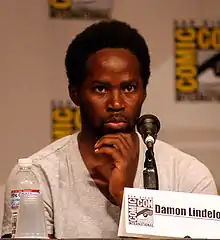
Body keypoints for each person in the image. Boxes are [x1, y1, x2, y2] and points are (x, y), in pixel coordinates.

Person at [1, 19, 217, 239]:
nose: (116, 103)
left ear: (144, 92)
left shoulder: (188, 176)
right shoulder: (35, 177)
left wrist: (127, 198)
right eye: (100, 89)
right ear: (74, 93)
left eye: (129, 88)